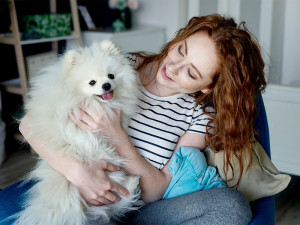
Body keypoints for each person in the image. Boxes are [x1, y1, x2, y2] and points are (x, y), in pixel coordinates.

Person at [0, 14, 267, 225]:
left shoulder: (200, 116)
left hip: (141, 211)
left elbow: (156, 191)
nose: (172, 68)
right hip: (85, 201)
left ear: (208, 87)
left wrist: (117, 136)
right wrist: (77, 172)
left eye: (191, 73)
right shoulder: (117, 68)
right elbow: (29, 123)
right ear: (179, 38)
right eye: (181, 51)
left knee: (232, 206)